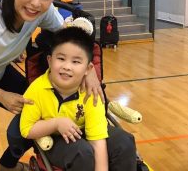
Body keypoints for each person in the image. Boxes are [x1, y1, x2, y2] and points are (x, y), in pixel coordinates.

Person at [0, 0, 105, 170]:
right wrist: (1, 95)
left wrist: (90, 69)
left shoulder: (43, 11)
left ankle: (7, 165)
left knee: (40, 115)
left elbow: (70, 40)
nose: (36, 3)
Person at [20, 27, 137, 171]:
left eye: (76, 62)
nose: (67, 66)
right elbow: (27, 129)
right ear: (50, 61)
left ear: (88, 69)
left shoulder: (91, 92)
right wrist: (56, 124)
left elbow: (97, 138)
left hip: (86, 130)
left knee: (124, 142)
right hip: (55, 138)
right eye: (61, 59)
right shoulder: (36, 90)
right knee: (81, 152)